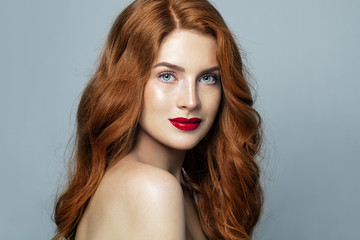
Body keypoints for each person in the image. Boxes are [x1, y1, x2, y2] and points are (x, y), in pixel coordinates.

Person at [53, 0, 263, 239]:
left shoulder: (185, 195)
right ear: (129, 82)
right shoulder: (152, 189)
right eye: (167, 76)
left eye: (207, 78)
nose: (191, 101)